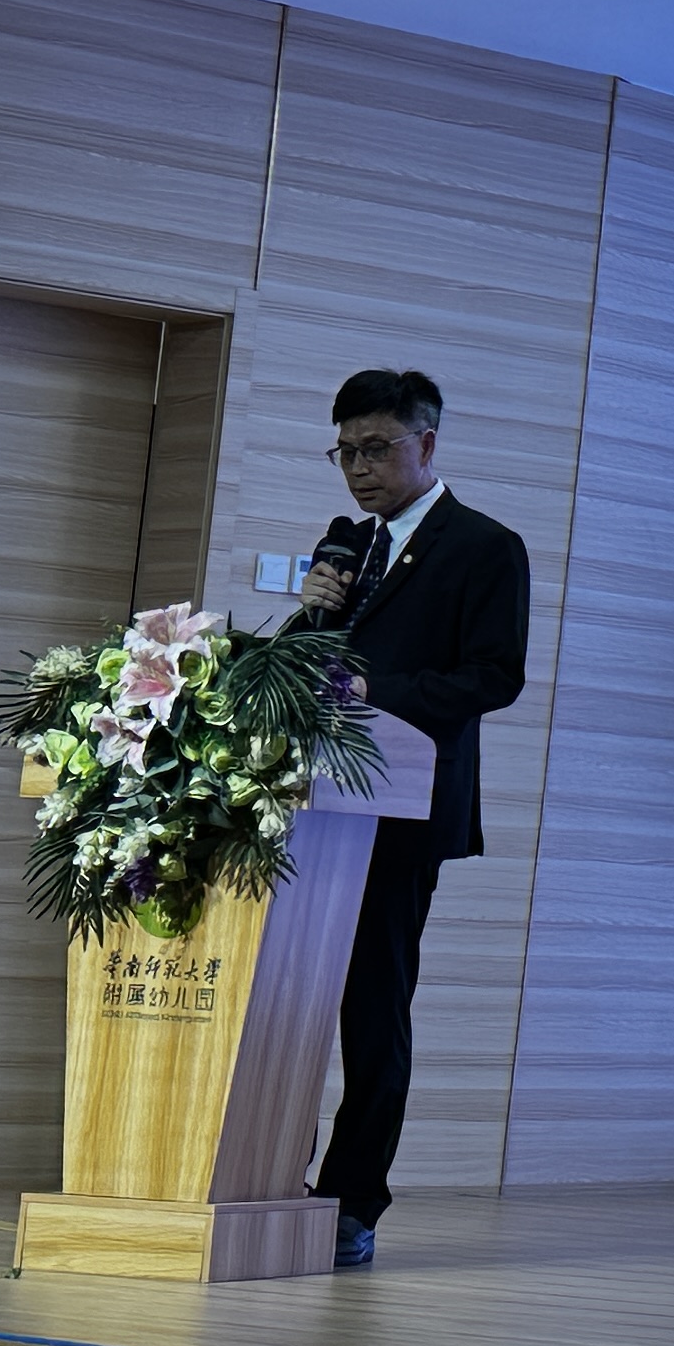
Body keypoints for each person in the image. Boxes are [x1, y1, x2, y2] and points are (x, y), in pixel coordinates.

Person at [294, 368, 531, 1269]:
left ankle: (353, 1202)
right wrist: (308, 620)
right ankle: (270, 1177)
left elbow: (493, 676)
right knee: (286, 1003)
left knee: (372, 1010)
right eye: (345, 451)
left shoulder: (484, 546)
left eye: (376, 449)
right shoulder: (349, 546)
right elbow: (306, 672)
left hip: (401, 812)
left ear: (425, 443)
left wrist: (375, 689)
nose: (359, 468)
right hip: (314, 813)